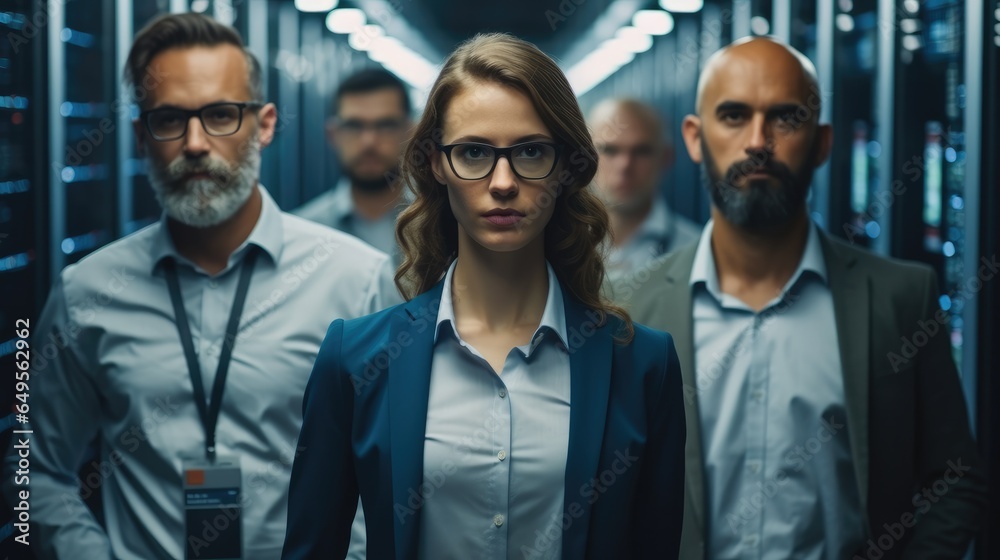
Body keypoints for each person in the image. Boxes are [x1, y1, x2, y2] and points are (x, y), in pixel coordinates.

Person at [1, 13, 397, 560]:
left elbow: (396, 474)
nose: (194, 143)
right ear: (142, 136)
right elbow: (32, 467)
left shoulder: (357, 281)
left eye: (219, 116)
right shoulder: (85, 294)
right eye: (169, 120)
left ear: (263, 124)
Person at [282, 33, 685, 559]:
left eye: (531, 151)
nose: (502, 182)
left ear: (566, 167)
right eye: (473, 152)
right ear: (436, 164)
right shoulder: (356, 357)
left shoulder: (642, 365)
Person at [617, 37, 987, 559]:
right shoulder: (627, 310)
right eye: (734, 116)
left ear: (822, 142)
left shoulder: (901, 297)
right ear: (696, 138)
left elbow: (954, 479)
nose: (758, 142)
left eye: (786, 118)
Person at [294, 68, 411, 263]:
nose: (369, 142)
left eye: (386, 125)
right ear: (333, 135)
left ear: (411, 132)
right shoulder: (302, 233)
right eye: (354, 126)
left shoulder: (442, 225)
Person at [589, 98, 700, 278]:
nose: (625, 165)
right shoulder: (555, 244)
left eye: (641, 151)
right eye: (609, 150)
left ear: (666, 158)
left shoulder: (696, 252)